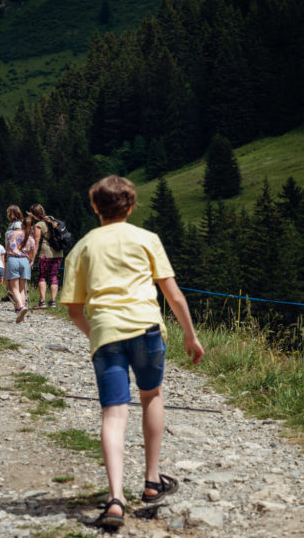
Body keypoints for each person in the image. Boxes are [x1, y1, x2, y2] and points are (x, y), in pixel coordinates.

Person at [59, 175, 204, 528]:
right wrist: (190, 336)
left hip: (107, 335)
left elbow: (75, 310)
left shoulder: (83, 247)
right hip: (146, 329)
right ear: (132, 205)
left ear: (95, 207)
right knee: (151, 395)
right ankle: (152, 482)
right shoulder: (147, 239)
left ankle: (115, 500)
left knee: (113, 412)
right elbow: (173, 294)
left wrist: (97, 333)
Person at [4, 205, 38, 323]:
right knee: (22, 289)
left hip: (13, 259)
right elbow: (32, 253)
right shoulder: (31, 238)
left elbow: (7, 249)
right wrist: (31, 260)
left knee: (14, 288)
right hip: (25, 261)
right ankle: (22, 316)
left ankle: (21, 307)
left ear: (21, 225)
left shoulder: (11, 234)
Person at [29, 203, 63, 309]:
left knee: (42, 276)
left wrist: (32, 258)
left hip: (46, 253)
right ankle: (53, 302)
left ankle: (42, 301)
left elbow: (36, 242)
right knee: (53, 275)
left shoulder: (39, 225)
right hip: (58, 252)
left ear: (34, 215)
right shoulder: (53, 219)